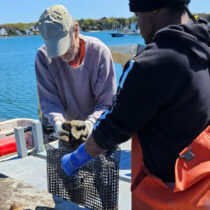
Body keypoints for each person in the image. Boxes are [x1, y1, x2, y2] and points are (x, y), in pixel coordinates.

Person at [61, 0, 210, 209]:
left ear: (154, 7)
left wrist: (76, 158)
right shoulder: (204, 48)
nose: (139, 26)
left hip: (165, 195)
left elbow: (112, 127)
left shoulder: (149, 64)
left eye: (138, 15)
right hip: (202, 190)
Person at [35, 5, 116, 140]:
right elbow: (49, 101)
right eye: (54, 49)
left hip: (99, 128)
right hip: (68, 131)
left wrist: (90, 124)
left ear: (76, 30)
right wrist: (59, 123)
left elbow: (106, 102)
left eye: (63, 46)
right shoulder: (43, 57)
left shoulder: (100, 52)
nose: (61, 54)